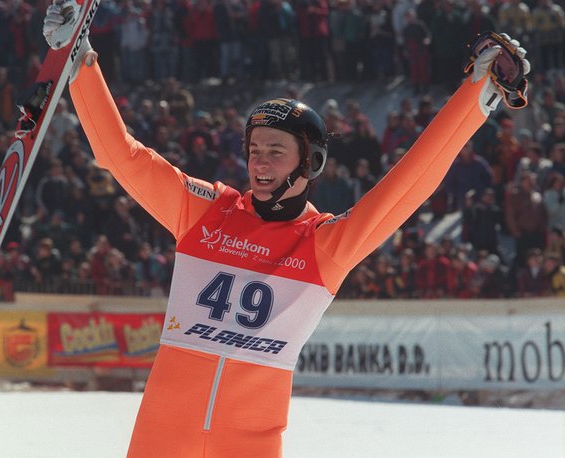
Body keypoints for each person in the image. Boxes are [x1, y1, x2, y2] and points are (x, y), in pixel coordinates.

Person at [44, 4, 529, 455]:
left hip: (248, 443)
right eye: (255, 149)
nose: (259, 161)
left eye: (276, 150)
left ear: (310, 162)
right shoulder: (206, 211)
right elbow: (119, 154)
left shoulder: (324, 245)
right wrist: (80, 60)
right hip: (162, 437)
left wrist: (477, 94)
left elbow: (410, 184)